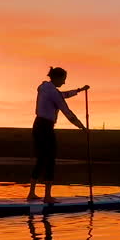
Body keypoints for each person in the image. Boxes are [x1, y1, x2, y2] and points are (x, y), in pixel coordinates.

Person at [28, 67, 88, 203]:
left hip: (37, 126)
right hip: (45, 128)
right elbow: (66, 110)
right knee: (50, 159)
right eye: (63, 79)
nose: (64, 82)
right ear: (57, 78)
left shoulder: (45, 88)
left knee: (41, 159)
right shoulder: (53, 93)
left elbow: (62, 95)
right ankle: (48, 197)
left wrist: (79, 90)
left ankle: (31, 193)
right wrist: (81, 126)